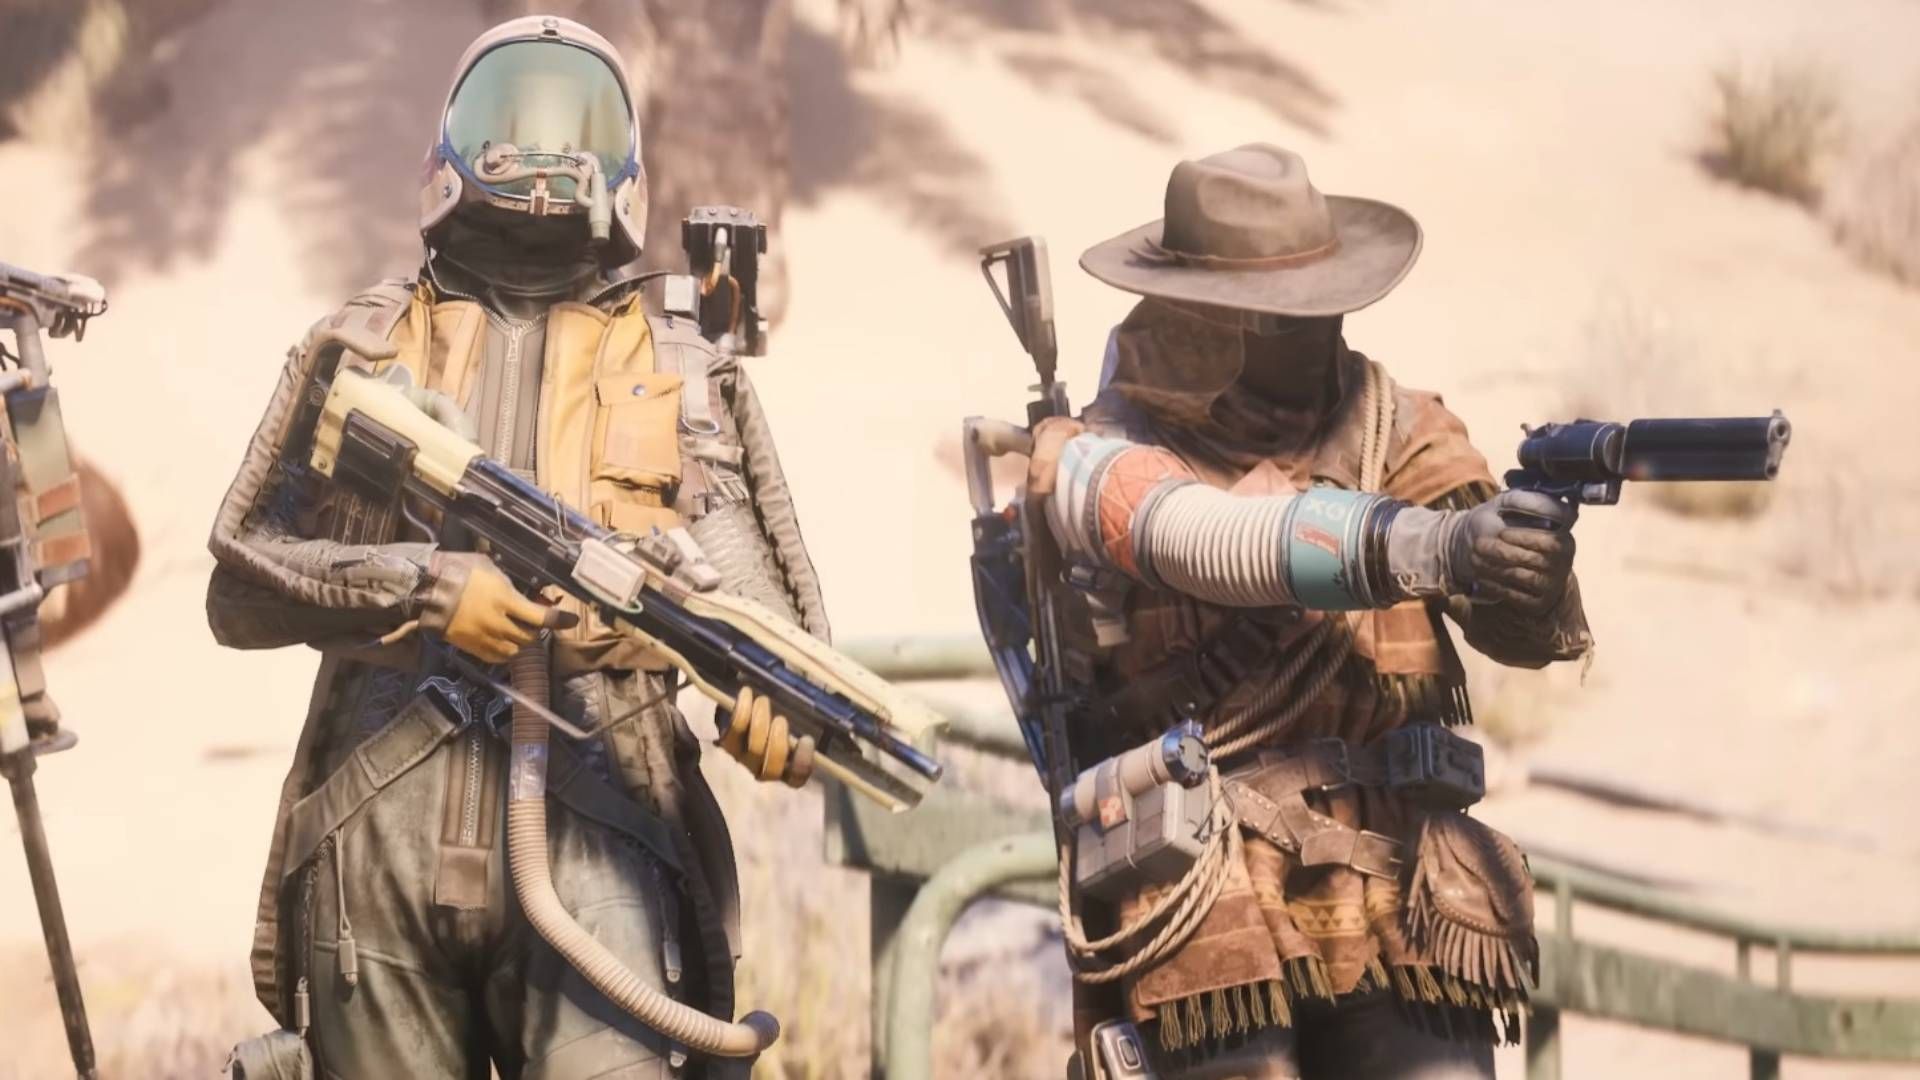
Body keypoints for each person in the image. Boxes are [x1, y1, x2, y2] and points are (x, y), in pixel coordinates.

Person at [207, 16, 824, 1078]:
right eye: (512, 123)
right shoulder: (364, 348)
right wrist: (422, 584)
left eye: (569, 130)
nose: (540, 156)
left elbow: (779, 638)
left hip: (601, 843)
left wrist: (773, 715)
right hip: (379, 844)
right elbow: (242, 580)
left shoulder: (682, 373)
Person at [1025, 144, 1593, 1079]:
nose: (1311, 327)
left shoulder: (1399, 429)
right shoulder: (1099, 451)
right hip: (1208, 896)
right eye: (1276, 310)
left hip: (1401, 889)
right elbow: (1201, 535)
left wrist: (1526, 571)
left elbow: (1516, 622)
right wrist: (1432, 546)